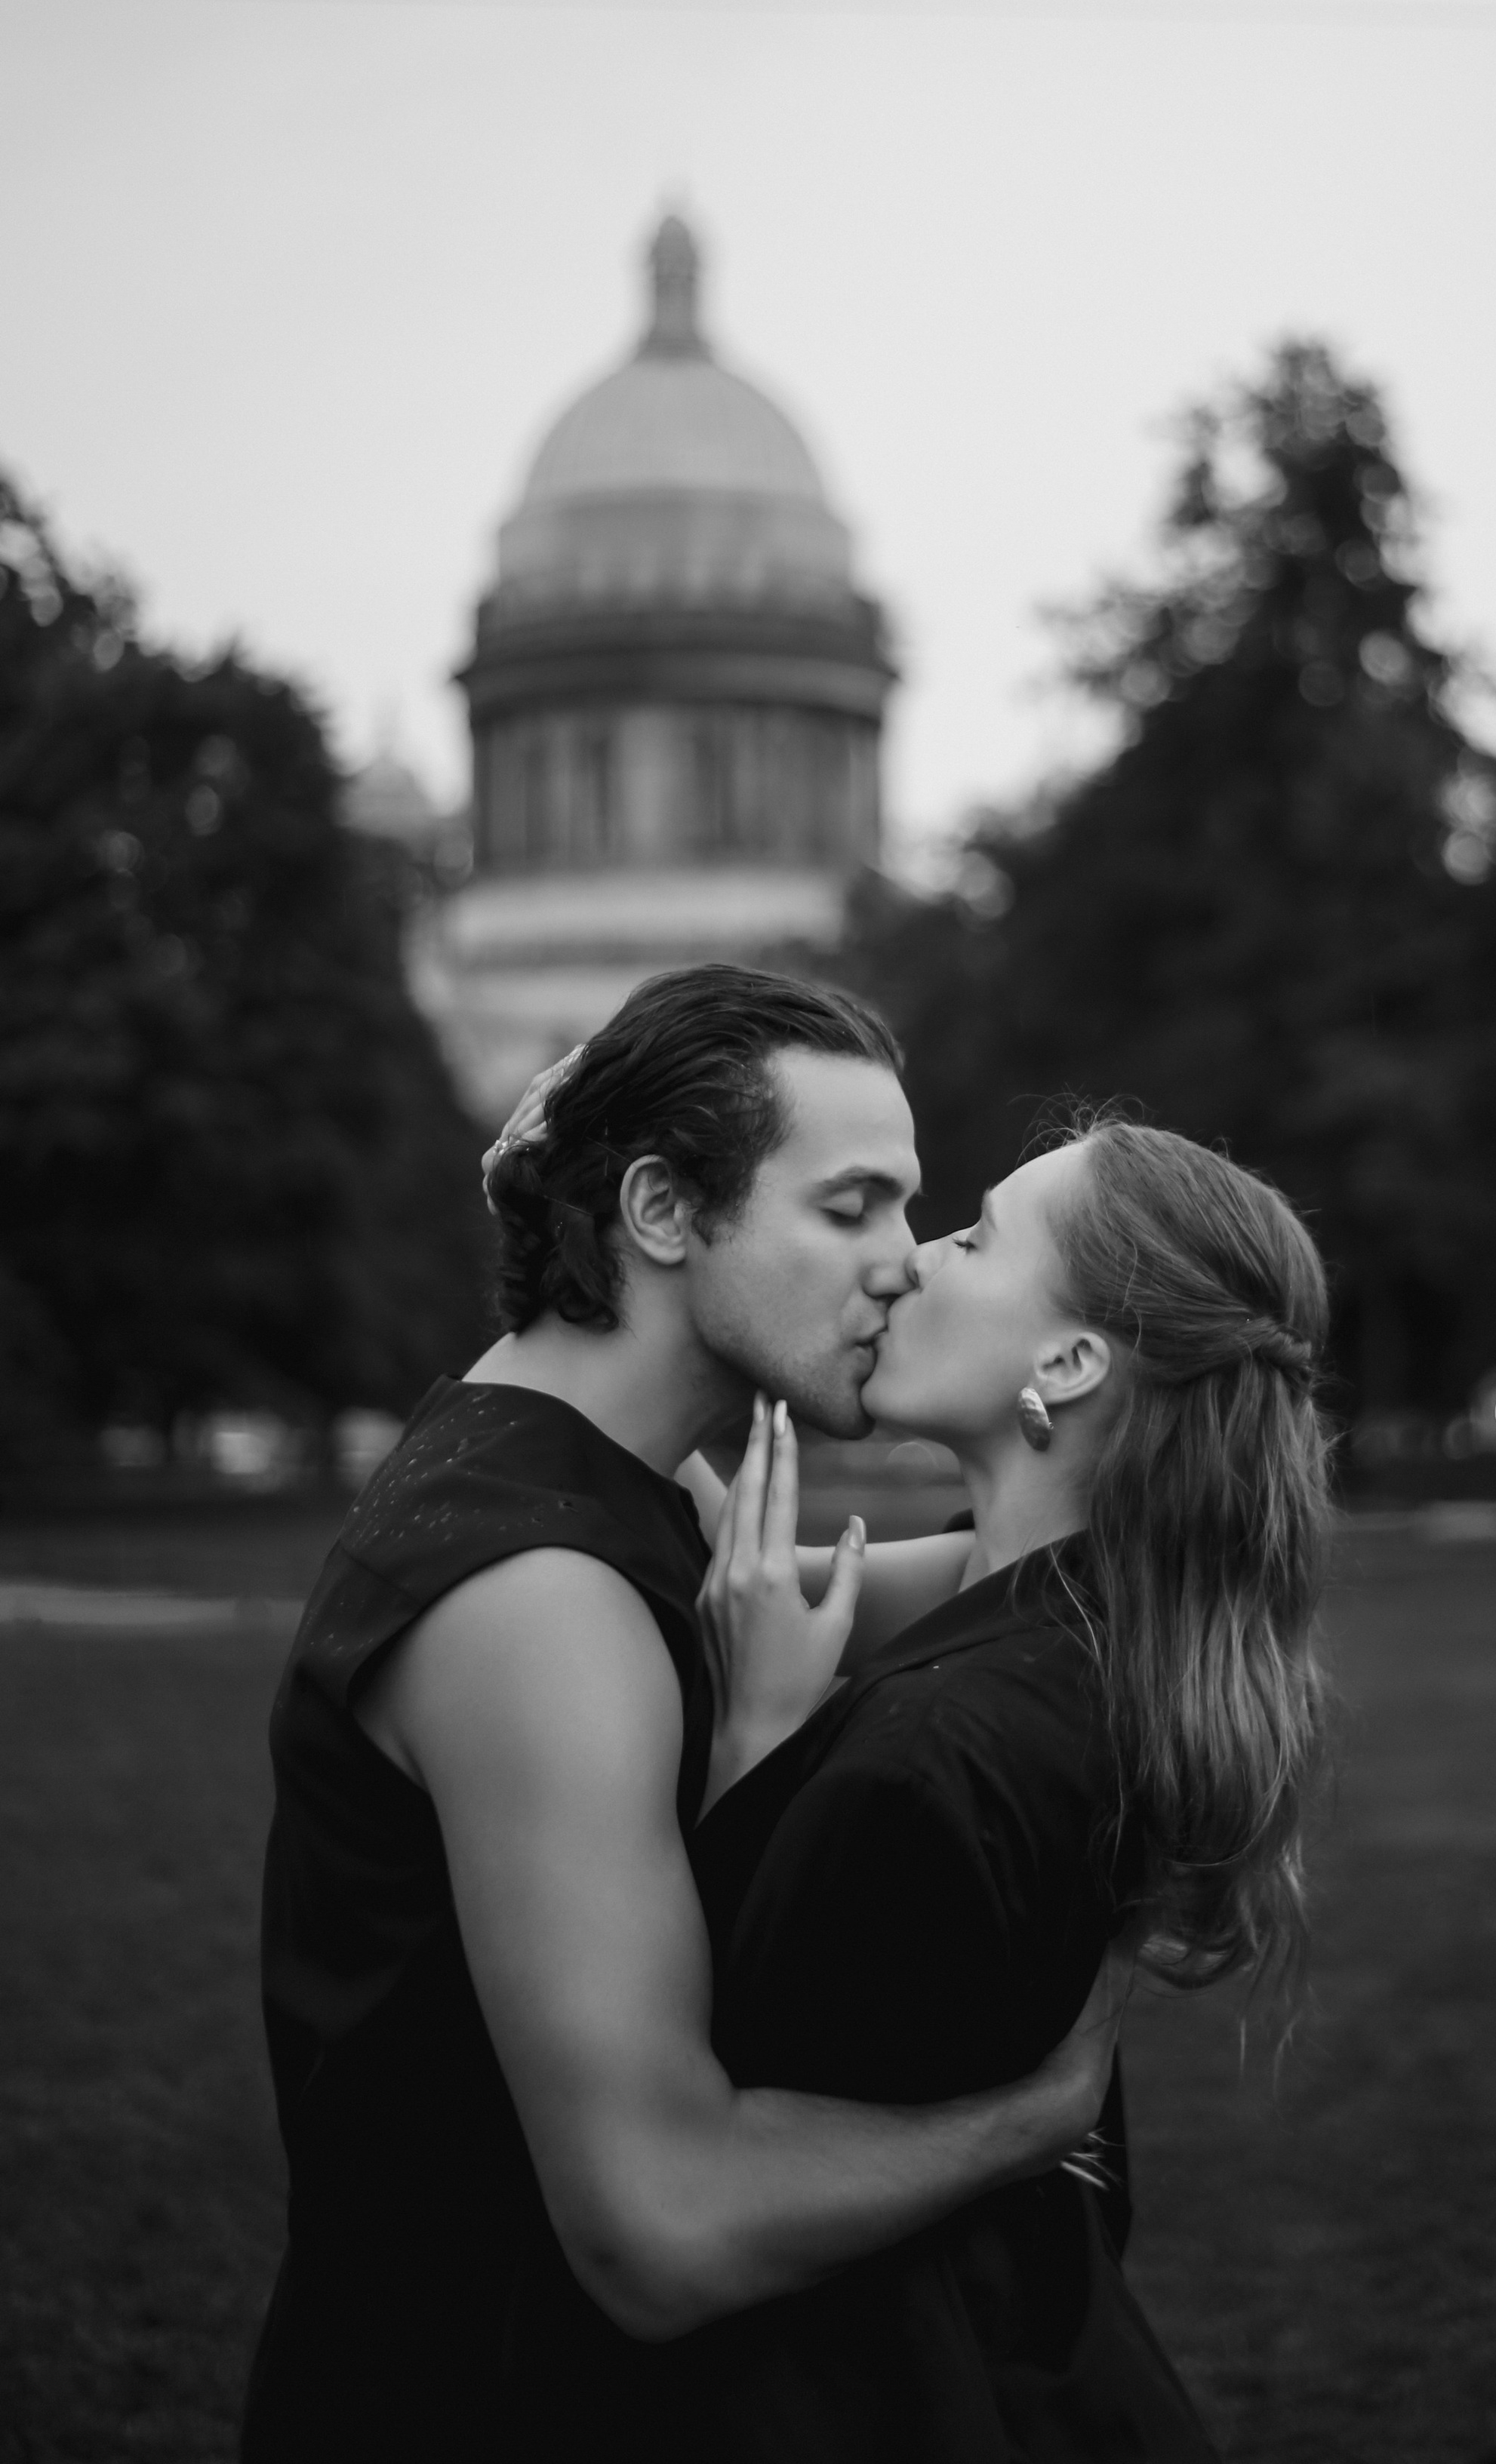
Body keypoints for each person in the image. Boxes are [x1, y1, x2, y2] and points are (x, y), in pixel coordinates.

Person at [241, 965, 1126, 2463]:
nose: (904, 1264)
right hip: (468, 2404)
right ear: (661, 1214)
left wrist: (1126, 1414)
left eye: (910, 1212)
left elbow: (1023, 1579)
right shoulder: (532, 1604)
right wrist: (1033, 2115)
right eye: (850, 1208)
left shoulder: (638, 1481)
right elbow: (656, 2228)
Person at [670, 1111, 1334, 2460]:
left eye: (971, 1238)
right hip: (1049, 2368)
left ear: (1072, 1358)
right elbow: (741, 1558)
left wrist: (761, 1748)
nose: (912, 1261)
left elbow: (712, 2146)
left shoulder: (931, 1757)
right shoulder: (1104, 1618)